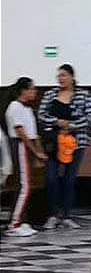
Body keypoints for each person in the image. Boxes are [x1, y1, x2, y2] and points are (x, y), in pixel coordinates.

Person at [37, 64, 91, 230]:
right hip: (54, 142)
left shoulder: (83, 95)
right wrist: (56, 122)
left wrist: (72, 125)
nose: (61, 79)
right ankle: (53, 214)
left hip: (75, 142)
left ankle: (67, 215)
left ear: (71, 77)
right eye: (59, 76)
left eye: (64, 75)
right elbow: (41, 115)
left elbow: (90, 117)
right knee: (51, 178)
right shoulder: (50, 95)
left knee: (70, 180)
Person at [5, 77, 47, 237]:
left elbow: (33, 134)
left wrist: (38, 152)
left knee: (25, 185)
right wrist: (35, 152)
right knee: (24, 186)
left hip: (27, 147)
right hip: (20, 146)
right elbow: (21, 133)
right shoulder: (15, 107)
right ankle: (14, 224)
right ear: (24, 90)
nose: (35, 92)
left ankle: (21, 220)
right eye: (32, 88)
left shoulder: (27, 109)